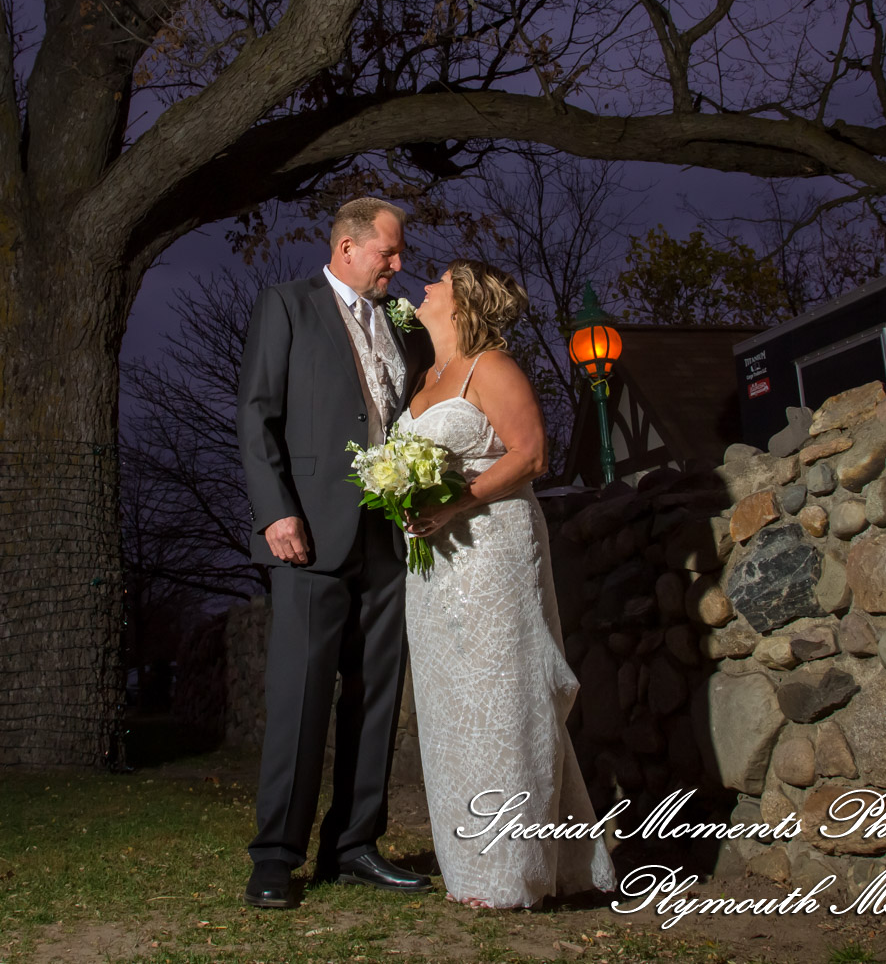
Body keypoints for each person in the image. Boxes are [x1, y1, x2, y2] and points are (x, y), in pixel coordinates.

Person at [235, 197, 434, 909]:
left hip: (388, 534)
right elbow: (257, 411)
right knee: (301, 692)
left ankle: (354, 843)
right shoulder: (286, 306)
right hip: (309, 532)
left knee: (377, 695)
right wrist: (274, 510)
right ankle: (275, 856)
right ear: (348, 247)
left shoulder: (402, 322)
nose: (398, 263)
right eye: (390, 251)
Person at [400, 259, 617, 909]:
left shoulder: (489, 367)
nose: (425, 285)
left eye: (437, 281)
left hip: (493, 548)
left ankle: (510, 873)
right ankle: (487, 864)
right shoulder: (426, 379)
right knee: (452, 711)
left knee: (505, 697)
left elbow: (531, 454)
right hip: (433, 567)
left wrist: (454, 502)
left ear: (462, 301)